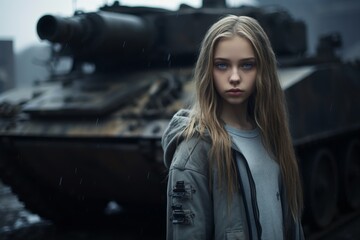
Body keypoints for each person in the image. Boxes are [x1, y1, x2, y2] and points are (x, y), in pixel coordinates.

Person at [161, 15, 304, 240]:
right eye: (222, 65)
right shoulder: (193, 153)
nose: (235, 77)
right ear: (208, 70)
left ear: (262, 70)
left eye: (247, 65)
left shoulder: (270, 135)